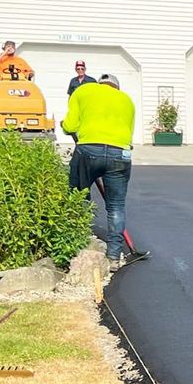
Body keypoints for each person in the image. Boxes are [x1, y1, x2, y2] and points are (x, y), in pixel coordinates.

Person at [61, 74, 136, 269]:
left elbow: (70, 125)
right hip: (120, 153)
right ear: (116, 88)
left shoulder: (83, 90)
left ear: (99, 84)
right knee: (116, 206)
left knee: (78, 196)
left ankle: (79, 245)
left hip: (88, 150)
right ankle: (113, 257)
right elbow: (128, 134)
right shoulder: (127, 100)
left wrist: (64, 126)